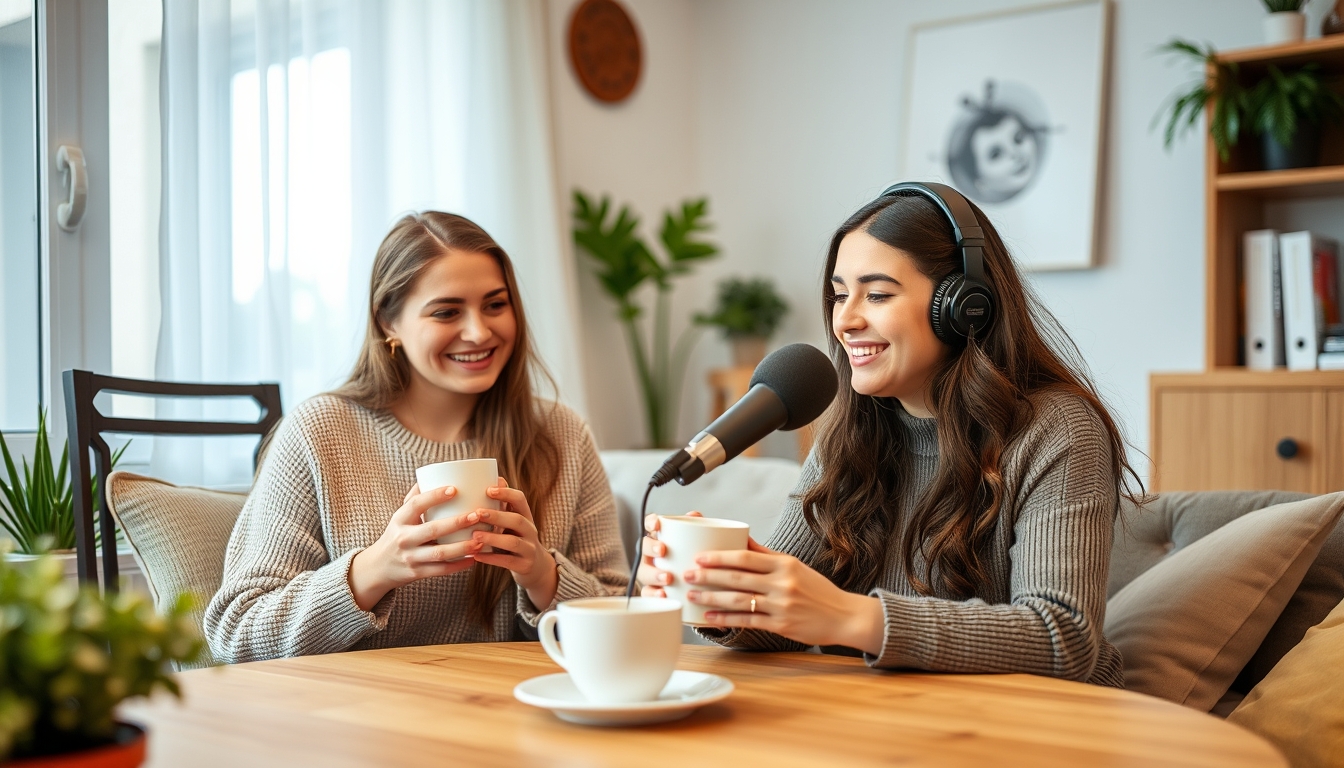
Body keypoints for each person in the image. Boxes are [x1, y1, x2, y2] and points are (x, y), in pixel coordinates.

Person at [638, 184, 1143, 686]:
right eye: (839, 295)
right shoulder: (849, 434)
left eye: (877, 294)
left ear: (964, 306)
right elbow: (786, 628)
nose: (845, 320)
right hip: (896, 725)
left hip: (1040, 731)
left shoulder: (1058, 431)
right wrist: (725, 597)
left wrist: (850, 617)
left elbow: (1063, 639)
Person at [206, 212, 627, 662]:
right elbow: (237, 634)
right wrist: (371, 572)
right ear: (389, 324)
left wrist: (543, 575)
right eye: (447, 311)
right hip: (361, 719)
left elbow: (625, 619)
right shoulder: (319, 432)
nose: (479, 331)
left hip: (511, 712)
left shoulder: (562, 435)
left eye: (495, 304)